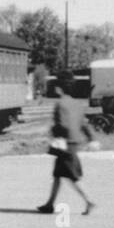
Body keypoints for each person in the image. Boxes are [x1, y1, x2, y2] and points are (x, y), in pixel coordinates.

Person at [38, 85, 97, 215]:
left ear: (60, 89)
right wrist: (91, 138)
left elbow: (62, 124)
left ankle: (89, 201)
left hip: (65, 144)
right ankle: (49, 204)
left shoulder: (60, 104)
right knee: (57, 175)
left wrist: (54, 134)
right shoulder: (77, 104)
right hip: (73, 142)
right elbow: (83, 124)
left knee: (72, 176)